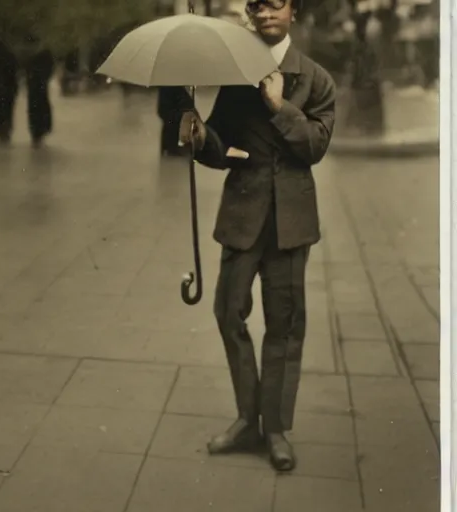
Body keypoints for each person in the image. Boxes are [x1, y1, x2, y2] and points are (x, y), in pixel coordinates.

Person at [178, 0, 336, 472]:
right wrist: (201, 137)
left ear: (293, 11)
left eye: (275, 4)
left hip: (290, 224)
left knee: (284, 326)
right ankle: (248, 418)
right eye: (256, 6)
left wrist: (279, 105)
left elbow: (315, 146)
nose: (265, 13)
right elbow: (223, 148)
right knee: (228, 311)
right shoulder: (236, 77)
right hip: (243, 216)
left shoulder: (316, 79)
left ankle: (276, 430)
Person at [0, 35, 54, 147]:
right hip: (29, 89)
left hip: (21, 89)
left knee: (7, 109)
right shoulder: (37, 55)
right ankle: (36, 135)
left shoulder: (24, 56)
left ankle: (7, 133)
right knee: (35, 110)